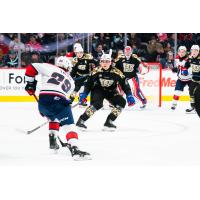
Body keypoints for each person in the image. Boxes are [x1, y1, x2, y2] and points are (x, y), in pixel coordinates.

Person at [24, 56, 91, 160]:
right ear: (68, 67)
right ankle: (75, 149)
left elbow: (31, 68)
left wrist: (30, 83)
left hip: (43, 103)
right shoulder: (71, 82)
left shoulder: (49, 67)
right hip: (58, 101)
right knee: (69, 125)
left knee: (53, 118)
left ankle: (53, 141)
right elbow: (65, 95)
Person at [76, 50, 135, 131]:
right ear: (100, 62)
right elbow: (88, 83)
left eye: (107, 61)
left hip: (111, 91)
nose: (104, 63)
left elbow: (125, 84)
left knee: (122, 102)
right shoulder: (96, 71)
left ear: (110, 62)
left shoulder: (117, 72)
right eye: (103, 61)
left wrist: (129, 95)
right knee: (98, 104)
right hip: (98, 90)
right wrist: (84, 93)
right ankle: (81, 121)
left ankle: (109, 122)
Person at [171, 46, 191, 110]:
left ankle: (194, 106)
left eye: (183, 52)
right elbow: (179, 67)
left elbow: (191, 68)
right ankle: (174, 104)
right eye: (180, 52)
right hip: (180, 79)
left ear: (185, 52)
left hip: (190, 79)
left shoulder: (189, 59)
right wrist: (176, 69)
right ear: (178, 52)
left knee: (192, 93)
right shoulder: (176, 58)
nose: (181, 53)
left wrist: (187, 71)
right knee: (177, 92)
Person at [185, 45, 200, 113]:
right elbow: (186, 66)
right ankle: (193, 107)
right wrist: (183, 70)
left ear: (198, 51)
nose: (193, 52)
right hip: (194, 79)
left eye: (195, 50)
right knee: (191, 91)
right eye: (192, 50)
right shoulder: (190, 58)